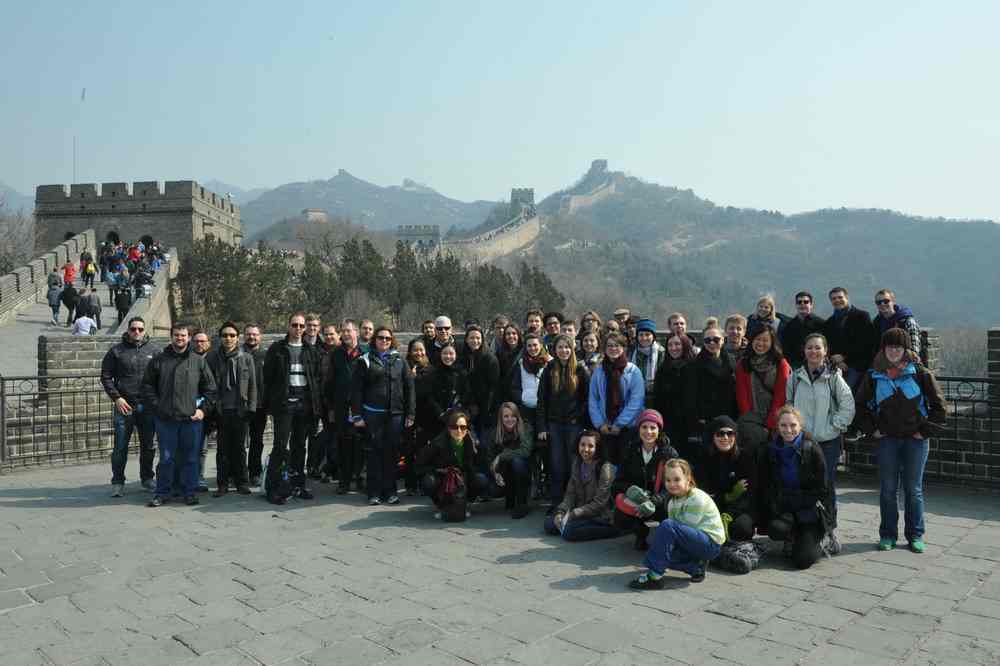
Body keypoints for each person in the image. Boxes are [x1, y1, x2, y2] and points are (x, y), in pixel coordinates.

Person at [855, 328, 945, 553]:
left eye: (898, 347)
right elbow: (859, 406)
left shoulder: (920, 373)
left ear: (906, 349)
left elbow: (939, 406)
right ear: (883, 349)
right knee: (887, 490)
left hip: (916, 440)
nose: (894, 351)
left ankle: (915, 535)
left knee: (913, 490)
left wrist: (924, 431)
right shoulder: (874, 375)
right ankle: (887, 534)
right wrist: (872, 430)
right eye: (890, 347)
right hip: (887, 440)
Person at [786, 332, 855, 553]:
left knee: (826, 487)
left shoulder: (833, 377)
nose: (813, 352)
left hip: (827, 441)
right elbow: (788, 405)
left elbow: (847, 404)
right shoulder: (795, 377)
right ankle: (801, 530)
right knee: (799, 485)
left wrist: (835, 425)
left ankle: (828, 530)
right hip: (801, 441)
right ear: (804, 351)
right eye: (809, 348)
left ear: (825, 351)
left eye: (818, 348)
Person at [141, 322, 217, 507]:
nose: (180, 338)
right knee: (166, 458)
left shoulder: (198, 361)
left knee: (191, 458)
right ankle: (162, 492)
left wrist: (202, 410)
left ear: (189, 337)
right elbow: (147, 387)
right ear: (171, 336)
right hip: (166, 419)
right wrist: (158, 407)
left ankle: (189, 492)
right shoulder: (159, 360)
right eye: (176, 335)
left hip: (190, 420)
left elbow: (211, 390)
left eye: (183, 335)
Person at [628, 458, 725, 589]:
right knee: (660, 552)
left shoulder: (696, 498)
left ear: (688, 479)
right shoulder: (673, 501)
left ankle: (654, 577)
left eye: (677, 479)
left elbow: (682, 529)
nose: (672, 484)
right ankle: (696, 567)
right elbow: (677, 534)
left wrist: (662, 549)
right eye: (668, 480)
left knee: (666, 531)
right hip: (692, 541)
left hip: (710, 544)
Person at [758, 406, 830, 570]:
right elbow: (767, 485)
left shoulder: (812, 449)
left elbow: (823, 489)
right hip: (785, 508)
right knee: (775, 529)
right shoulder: (770, 450)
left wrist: (827, 519)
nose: (788, 430)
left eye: (793, 425)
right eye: (783, 425)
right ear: (777, 427)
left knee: (803, 560)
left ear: (800, 426)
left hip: (808, 510)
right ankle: (792, 536)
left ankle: (822, 540)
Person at [263, 312, 323, 504]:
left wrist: (315, 405)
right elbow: (268, 379)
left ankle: (298, 484)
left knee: (299, 446)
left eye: (301, 326)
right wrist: (272, 404)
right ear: (288, 326)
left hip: (304, 403)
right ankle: (272, 487)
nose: (298, 329)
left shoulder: (311, 350)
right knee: (280, 445)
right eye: (295, 325)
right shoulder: (277, 349)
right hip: (285, 404)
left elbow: (317, 379)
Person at [351, 326, 415, 506]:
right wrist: (357, 415)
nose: (384, 341)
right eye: (381, 337)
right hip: (373, 415)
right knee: (374, 454)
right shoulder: (364, 360)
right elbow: (356, 391)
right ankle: (373, 493)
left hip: (395, 415)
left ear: (392, 340)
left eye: (388, 338)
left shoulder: (400, 360)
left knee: (391, 454)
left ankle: (391, 492)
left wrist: (410, 412)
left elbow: (409, 387)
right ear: (374, 340)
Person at [101, 316, 157, 497]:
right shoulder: (116, 351)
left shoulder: (154, 351)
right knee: (120, 447)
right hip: (125, 406)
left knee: (148, 446)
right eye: (133, 329)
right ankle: (118, 481)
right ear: (128, 330)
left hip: (148, 407)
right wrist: (116, 398)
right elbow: (106, 376)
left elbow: (162, 377)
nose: (137, 332)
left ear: (145, 330)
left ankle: (147, 478)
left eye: (140, 329)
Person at [611, 409, 679, 550]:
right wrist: (630, 490)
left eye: (653, 427)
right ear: (638, 429)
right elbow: (617, 483)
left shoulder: (669, 453)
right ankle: (640, 533)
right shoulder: (630, 450)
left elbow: (677, 485)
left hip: (661, 501)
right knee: (619, 517)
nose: (648, 432)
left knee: (669, 511)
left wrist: (655, 500)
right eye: (644, 427)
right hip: (638, 500)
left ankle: (667, 540)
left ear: (659, 430)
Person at [537, 334, 591, 508]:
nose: (564, 351)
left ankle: (574, 501)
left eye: (567, 347)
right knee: (556, 464)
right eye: (560, 347)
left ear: (572, 348)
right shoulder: (549, 368)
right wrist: (542, 426)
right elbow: (542, 399)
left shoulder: (581, 369)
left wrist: (581, 420)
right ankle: (556, 502)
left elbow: (587, 399)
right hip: (554, 424)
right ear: (555, 349)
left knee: (573, 463)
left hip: (574, 424)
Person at [206, 321, 257, 496]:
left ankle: (242, 481)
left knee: (240, 448)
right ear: (220, 338)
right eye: (225, 335)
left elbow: (252, 385)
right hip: (221, 409)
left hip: (240, 409)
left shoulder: (246, 357)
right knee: (222, 448)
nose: (228, 338)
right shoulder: (212, 358)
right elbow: (207, 384)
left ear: (238, 337)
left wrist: (251, 407)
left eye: (232, 335)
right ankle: (222, 483)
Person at [544, 430, 620, 541]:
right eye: (582, 445)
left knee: (569, 532)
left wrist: (574, 513)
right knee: (549, 525)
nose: (585, 449)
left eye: (590, 446)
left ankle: (614, 530)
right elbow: (570, 494)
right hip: (582, 513)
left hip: (601, 516)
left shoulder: (605, 468)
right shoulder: (577, 463)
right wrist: (561, 512)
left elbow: (599, 504)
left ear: (597, 448)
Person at [417, 409, 490, 520]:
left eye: (463, 427)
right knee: (428, 482)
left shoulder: (472, 442)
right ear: (448, 428)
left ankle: (466, 504)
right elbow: (418, 466)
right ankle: (440, 505)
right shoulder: (437, 443)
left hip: (464, 478)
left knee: (482, 479)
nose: (459, 430)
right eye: (455, 427)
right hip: (442, 479)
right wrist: (437, 470)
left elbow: (482, 464)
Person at [588, 332, 644, 466]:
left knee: (626, 464)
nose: (613, 349)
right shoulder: (599, 371)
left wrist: (619, 424)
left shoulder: (633, 371)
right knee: (607, 466)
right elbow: (593, 399)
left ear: (624, 348)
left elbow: (636, 401)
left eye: (617, 345)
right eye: (609, 346)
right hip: (605, 427)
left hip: (627, 428)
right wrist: (600, 424)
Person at [734, 324, 792, 453]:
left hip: (775, 420)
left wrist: (771, 423)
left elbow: (781, 395)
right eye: (757, 339)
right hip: (750, 420)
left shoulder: (781, 364)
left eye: (765, 340)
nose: (761, 343)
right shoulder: (743, 364)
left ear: (772, 342)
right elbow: (741, 395)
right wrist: (751, 422)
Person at [699, 416, 757, 543]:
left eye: (730, 433)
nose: (725, 438)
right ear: (712, 436)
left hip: (739, 510)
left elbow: (750, 493)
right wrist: (728, 496)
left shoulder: (745, 458)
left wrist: (730, 513)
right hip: (714, 507)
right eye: (720, 433)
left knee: (742, 528)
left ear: (735, 436)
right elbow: (704, 492)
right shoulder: (705, 458)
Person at [326, 320, 364, 494]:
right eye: (344, 331)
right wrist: (331, 408)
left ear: (356, 332)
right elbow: (330, 382)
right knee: (343, 445)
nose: (346, 334)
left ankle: (361, 478)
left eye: (349, 331)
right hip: (341, 407)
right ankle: (344, 481)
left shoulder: (366, 353)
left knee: (362, 445)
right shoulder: (336, 354)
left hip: (361, 408)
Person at [683, 326, 737, 447]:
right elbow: (690, 396)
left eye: (716, 339)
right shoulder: (694, 365)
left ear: (723, 340)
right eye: (708, 340)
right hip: (705, 419)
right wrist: (697, 419)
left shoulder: (732, 361)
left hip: (729, 416)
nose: (712, 343)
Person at [652, 333, 697, 463]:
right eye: (670, 345)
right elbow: (658, 399)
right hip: (669, 423)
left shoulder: (695, 367)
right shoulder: (662, 369)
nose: (673, 348)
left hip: (690, 424)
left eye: (677, 344)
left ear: (685, 345)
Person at [822, 287, 876, 394]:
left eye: (840, 297)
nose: (837, 300)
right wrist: (835, 359)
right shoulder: (829, 323)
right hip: (835, 365)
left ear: (847, 297)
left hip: (857, 365)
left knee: (845, 393)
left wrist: (844, 358)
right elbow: (827, 345)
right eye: (833, 299)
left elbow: (867, 343)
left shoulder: (862, 316)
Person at [486, 403, 534, 518]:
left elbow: (525, 451)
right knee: (492, 490)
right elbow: (489, 458)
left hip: (523, 471)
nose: (509, 419)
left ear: (517, 416)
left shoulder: (526, 428)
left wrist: (501, 456)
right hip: (504, 473)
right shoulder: (494, 433)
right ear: (501, 418)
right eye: (506, 416)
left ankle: (522, 503)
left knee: (517, 462)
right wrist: (495, 473)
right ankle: (509, 496)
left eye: (513, 416)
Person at [427, 342, 475, 440]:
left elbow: (467, 395)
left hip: (458, 417)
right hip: (438, 418)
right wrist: (440, 413)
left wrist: (458, 412)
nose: (448, 356)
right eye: (445, 353)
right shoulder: (433, 373)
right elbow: (430, 396)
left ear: (456, 355)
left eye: (451, 353)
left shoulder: (462, 373)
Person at [404, 338, 434, 494]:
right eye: (415, 350)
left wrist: (415, 380)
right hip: (409, 416)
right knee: (408, 450)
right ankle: (410, 484)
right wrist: (410, 378)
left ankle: (424, 483)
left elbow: (428, 393)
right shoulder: (404, 367)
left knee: (423, 451)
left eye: (421, 350)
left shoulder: (430, 369)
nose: (419, 353)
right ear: (410, 352)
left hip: (426, 417)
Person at [461, 325, 500, 440]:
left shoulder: (490, 359)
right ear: (466, 340)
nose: (475, 341)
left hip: (485, 407)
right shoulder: (463, 356)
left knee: (483, 440)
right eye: (472, 338)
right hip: (468, 405)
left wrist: (486, 410)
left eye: (478, 338)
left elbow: (493, 387)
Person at [242, 324, 268, 487]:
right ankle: (238, 473)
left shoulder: (266, 355)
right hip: (241, 406)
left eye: (255, 334)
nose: (252, 337)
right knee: (238, 442)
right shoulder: (237, 354)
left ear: (260, 336)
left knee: (257, 441)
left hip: (260, 406)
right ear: (243, 336)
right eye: (249, 334)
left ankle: (255, 472)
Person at [872, 289, 922, 360]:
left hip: (903, 363)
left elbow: (914, 347)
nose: (882, 304)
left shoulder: (907, 321)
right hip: (882, 364)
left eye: (886, 301)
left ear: (893, 302)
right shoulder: (876, 323)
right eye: (878, 302)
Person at [780, 292, 825, 369]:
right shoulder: (789, 325)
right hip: (795, 365)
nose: (802, 304)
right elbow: (785, 347)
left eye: (806, 302)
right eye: (799, 302)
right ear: (796, 305)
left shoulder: (821, 323)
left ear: (811, 305)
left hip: (817, 363)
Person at [629, 318, 664, 398]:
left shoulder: (661, 352)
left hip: (656, 393)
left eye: (647, 335)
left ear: (653, 336)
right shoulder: (632, 351)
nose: (644, 338)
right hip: (634, 393)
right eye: (641, 335)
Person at [495, 323, 524, 413]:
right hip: (505, 396)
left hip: (522, 395)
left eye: (514, 333)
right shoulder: (499, 353)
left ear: (519, 335)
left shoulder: (525, 352)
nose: (511, 336)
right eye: (508, 334)